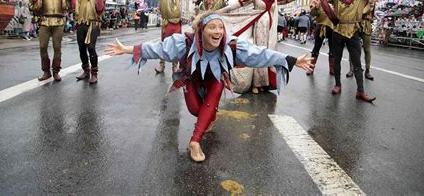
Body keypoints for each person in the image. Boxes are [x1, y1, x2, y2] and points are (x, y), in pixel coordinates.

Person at [104, 12, 311, 162]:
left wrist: (291, 60)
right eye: (212, 27)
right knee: (196, 110)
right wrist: (128, 49)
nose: (218, 32)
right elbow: (157, 49)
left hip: (215, 81)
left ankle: (195, 141)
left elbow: (260, 54)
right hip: (191, 79)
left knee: (213, 95)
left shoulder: (231, 45)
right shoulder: (183, 43)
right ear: (201, 30)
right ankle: (208, 115)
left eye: (221, 28)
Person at [306, 0, 401, 102]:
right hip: (337, 32)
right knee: (336, 60)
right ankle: (337, 84)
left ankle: (360, 91)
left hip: (354, 32)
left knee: (357, 62)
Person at [220, 0, 304, 93]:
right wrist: (222, 11)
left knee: (269, 51)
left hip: (271, 28)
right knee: (259, 52)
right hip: (259, 26)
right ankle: (255, 83)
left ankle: (264, 82)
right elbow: (239, 3)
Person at [28, 0, 69, 81]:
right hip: (44, 21)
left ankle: (56, 71)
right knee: (42, 47)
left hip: (58, 21)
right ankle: (46, 72)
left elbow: (66, 7)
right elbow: (35, 8)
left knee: (57, 47)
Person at [75, 0, 107, 84]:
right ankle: (86, 70)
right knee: (81, 48)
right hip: (81, 23)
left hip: (94, 23)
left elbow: (99, 9)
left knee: (91, 48)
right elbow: (76, 5)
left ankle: (94, 73)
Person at [153, 0, 184, 74]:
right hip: (167, 24)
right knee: (164, 45)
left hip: (177, 24)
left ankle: (175, 67)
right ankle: (162, 65)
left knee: (176, 46)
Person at [306, 0, 337, 76]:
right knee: (316, 48)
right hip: (320, 25)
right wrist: (314, 7)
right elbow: (313, 14)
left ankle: (332, 68)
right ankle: (311, 68)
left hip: (332, 25)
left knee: (332, 48)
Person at [346, 0, 379, 81]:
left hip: (366, 23)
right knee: (352, 48)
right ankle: (351, 69)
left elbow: (367, 9)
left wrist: (355, 11)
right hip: (355, 24)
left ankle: (367, 71)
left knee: (367, 49)